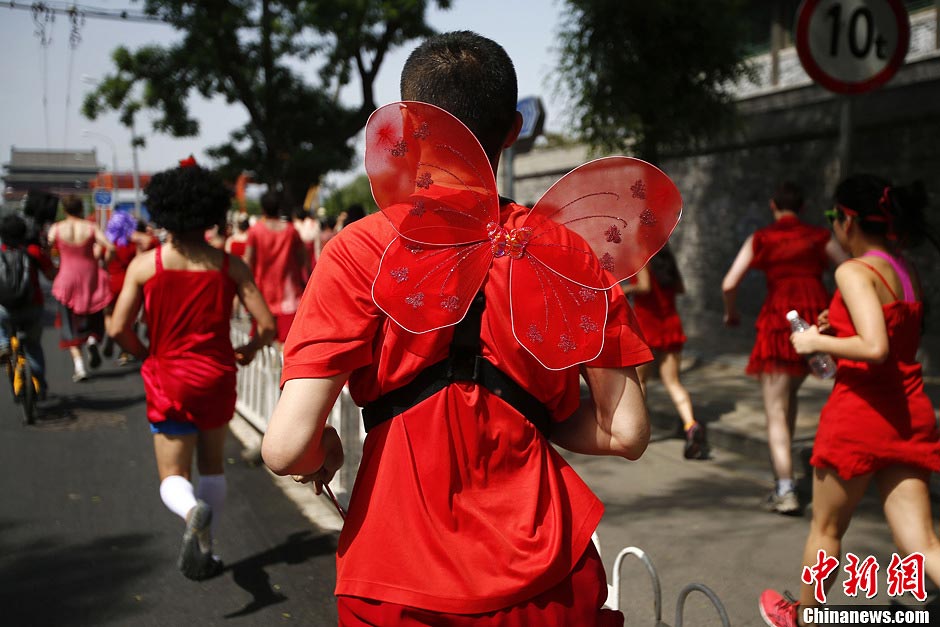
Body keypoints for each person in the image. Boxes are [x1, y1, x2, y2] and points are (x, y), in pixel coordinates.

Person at [262, 31, 656, 625]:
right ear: (513, 130)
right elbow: (626, 432)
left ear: (408, 129)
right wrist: (528, 413)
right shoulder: (569, 253)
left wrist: (326, 450)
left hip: (395, 579)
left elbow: (288, 446)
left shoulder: (359, 249)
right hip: (545, 577)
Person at [758, 176, 940, 626]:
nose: (834, 227)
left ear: (848, 221)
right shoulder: (904, 269)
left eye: (833, 218)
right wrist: (836, 323)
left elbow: (875, 346)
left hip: (859, 414)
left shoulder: (853, 270)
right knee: (923, 543)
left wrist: (817, 340)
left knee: (826, 530)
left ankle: (802, 617)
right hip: (908, 411)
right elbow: (893, 334)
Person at [108, 160, 275, 581]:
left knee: (173, 477)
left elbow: (116, 328)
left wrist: (146, 351)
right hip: (217, 375)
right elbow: (268, 325)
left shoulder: (146, 266)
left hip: (168, 378)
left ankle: (190, 513)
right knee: (213, 466)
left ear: (164, 210)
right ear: (211, 213)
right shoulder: (229, 266)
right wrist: (250, 349)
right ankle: (206, 549)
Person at [721, 182, 846, 515]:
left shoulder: (761, 237)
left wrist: (731, 313)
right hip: (816, 320)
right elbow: (849, 269)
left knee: (775, 409)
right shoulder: (819, 236)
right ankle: (789, 473)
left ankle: (785, 488)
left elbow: (729, 283)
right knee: (788, 398)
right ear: (803, 208)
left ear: (772, 205)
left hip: (778, 322)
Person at [623, 245, 708, 459]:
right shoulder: (668, 260)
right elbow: (680, 289)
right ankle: (690, 424)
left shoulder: (641, 255)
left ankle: (640, 431)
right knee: (673, 382)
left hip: (647, 326)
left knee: (641, 382)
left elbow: (644, 287)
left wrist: (624, 289)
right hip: (670, 324)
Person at [48, 195, 115, 382]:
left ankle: (80, 367)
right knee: (95, 314)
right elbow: (110, 247)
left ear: (65, 209)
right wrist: (103, 263)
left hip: (66, 277)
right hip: (91, 275)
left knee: (68, 323)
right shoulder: (91, 227)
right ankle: (93, 340)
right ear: (81, 209)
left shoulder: (57, 228)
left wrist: (54, 265)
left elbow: (48, 246)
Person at [0, 213, 56, 396]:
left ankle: (3, 344)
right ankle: (40, 383)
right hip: (32, 307)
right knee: (33, 346)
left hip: (6, 309)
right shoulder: (32, 251)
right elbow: (51, 274)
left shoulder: (1, 252)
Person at [244, 193, 309, 345]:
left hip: (263, 292)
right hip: (289, 294)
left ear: (262, 209)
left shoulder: (255, 231)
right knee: (287, 343)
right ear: (279, 208)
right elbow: (303, 259)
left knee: (263, 341)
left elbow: (248, 261)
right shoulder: (290, 231)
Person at [102, 211, 140, 364]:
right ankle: (126, 351)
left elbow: (104, 262)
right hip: (130, 283)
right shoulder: (132, 243)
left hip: (112, 282)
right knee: (130, 317)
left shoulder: (109, 244)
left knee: (109, 314)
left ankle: (111, 335)